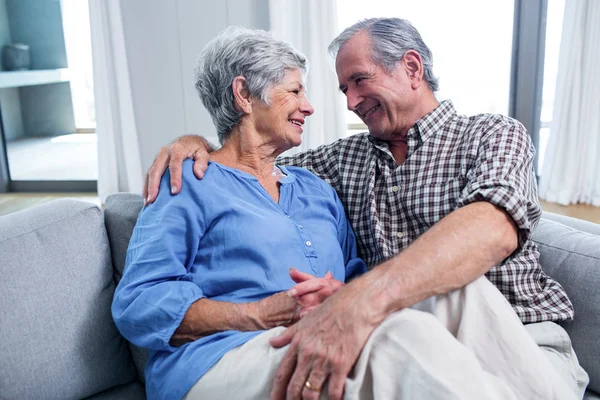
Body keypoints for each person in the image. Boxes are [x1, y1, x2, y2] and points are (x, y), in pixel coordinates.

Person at [143, 19, 589, 400]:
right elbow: (245, 162)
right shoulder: (335, 163)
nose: (348, 102)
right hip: (385, 337)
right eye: (340, 88)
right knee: (406, 333)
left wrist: (356, 301)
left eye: (358, 81)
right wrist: (194, 143)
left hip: (516, 336)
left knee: (460, 288)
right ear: (244, 95)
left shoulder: (492, 135)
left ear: (412, 68)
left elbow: (491, 228)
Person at [111, 26, 367, 400]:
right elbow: (139, 303)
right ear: (244, 94)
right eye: (294, 90)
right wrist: (261, 313)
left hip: (320, 339)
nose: (309, 106)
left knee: (409, 332)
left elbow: (356, 276)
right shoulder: (189, 181)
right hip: (218, 360)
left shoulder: (315, 188)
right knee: (377, 359)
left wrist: (342, 300)